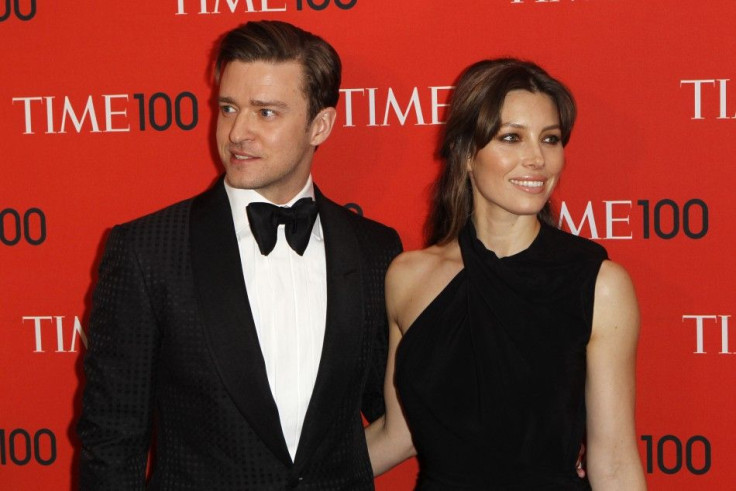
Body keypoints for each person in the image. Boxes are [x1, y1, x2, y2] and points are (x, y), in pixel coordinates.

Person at [77, 20, 401, 490]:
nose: (237, 132)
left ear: (321, 124)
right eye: (228, 108)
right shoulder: (148, 251)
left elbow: (396, 409)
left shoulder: (375, 250)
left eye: (266, 113)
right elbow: (111, 445)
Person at [366, 58, 646, 489]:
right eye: (511, 138)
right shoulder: (408, 277)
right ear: (466, 156)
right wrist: (292, 479)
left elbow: (614, 461)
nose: (537, 158)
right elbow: (397, 435)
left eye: (550, 139)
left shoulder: (598, 284)